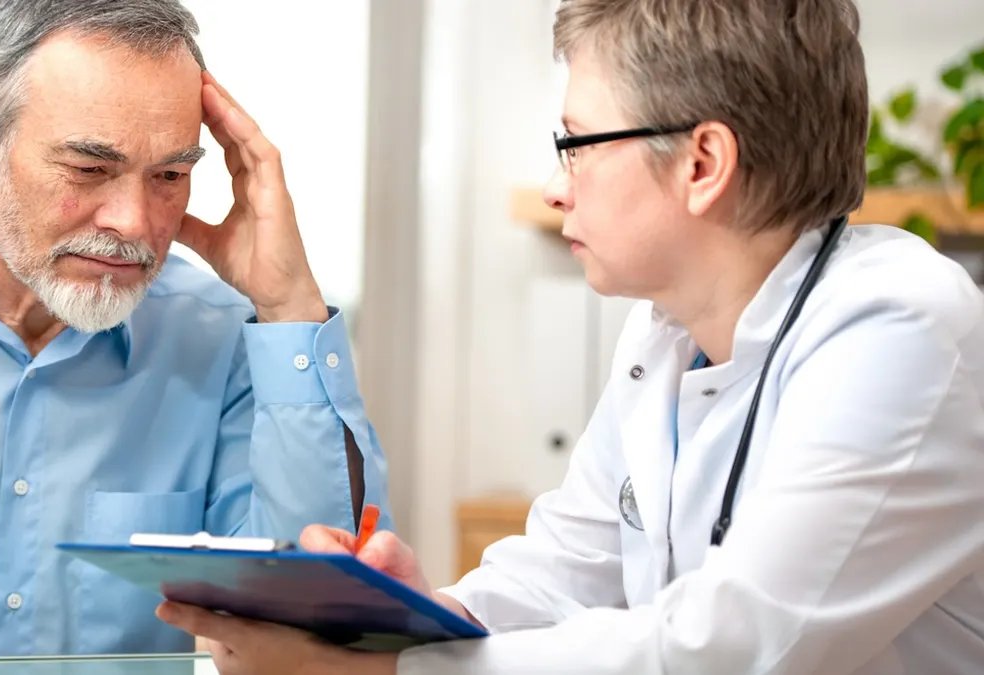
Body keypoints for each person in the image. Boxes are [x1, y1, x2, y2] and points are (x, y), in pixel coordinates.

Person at [157, 1, 984, 673]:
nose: (557, 188)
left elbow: (736, 644)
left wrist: (392, 673)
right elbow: (564, 569)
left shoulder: (901, 325)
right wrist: (429, 614)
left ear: (703, 163)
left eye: (576, 143)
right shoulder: (663, 332)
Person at [0, 0, 389, 666]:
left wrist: (289, 303)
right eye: (90, 169)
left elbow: (316, 625)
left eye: (169, 176)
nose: (133, 220)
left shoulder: (228, 341)